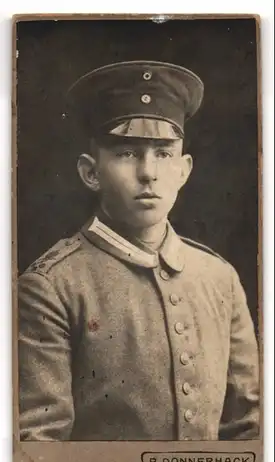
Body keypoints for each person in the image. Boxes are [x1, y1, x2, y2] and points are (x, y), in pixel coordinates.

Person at [18, 60, 260, 441]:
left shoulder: (220, 280)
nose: (149, 172)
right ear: (90, 172)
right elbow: (40, 454)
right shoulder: (51, 288)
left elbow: (250, 435)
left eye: (163, 153)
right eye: (127, 153)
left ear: (183, 170)